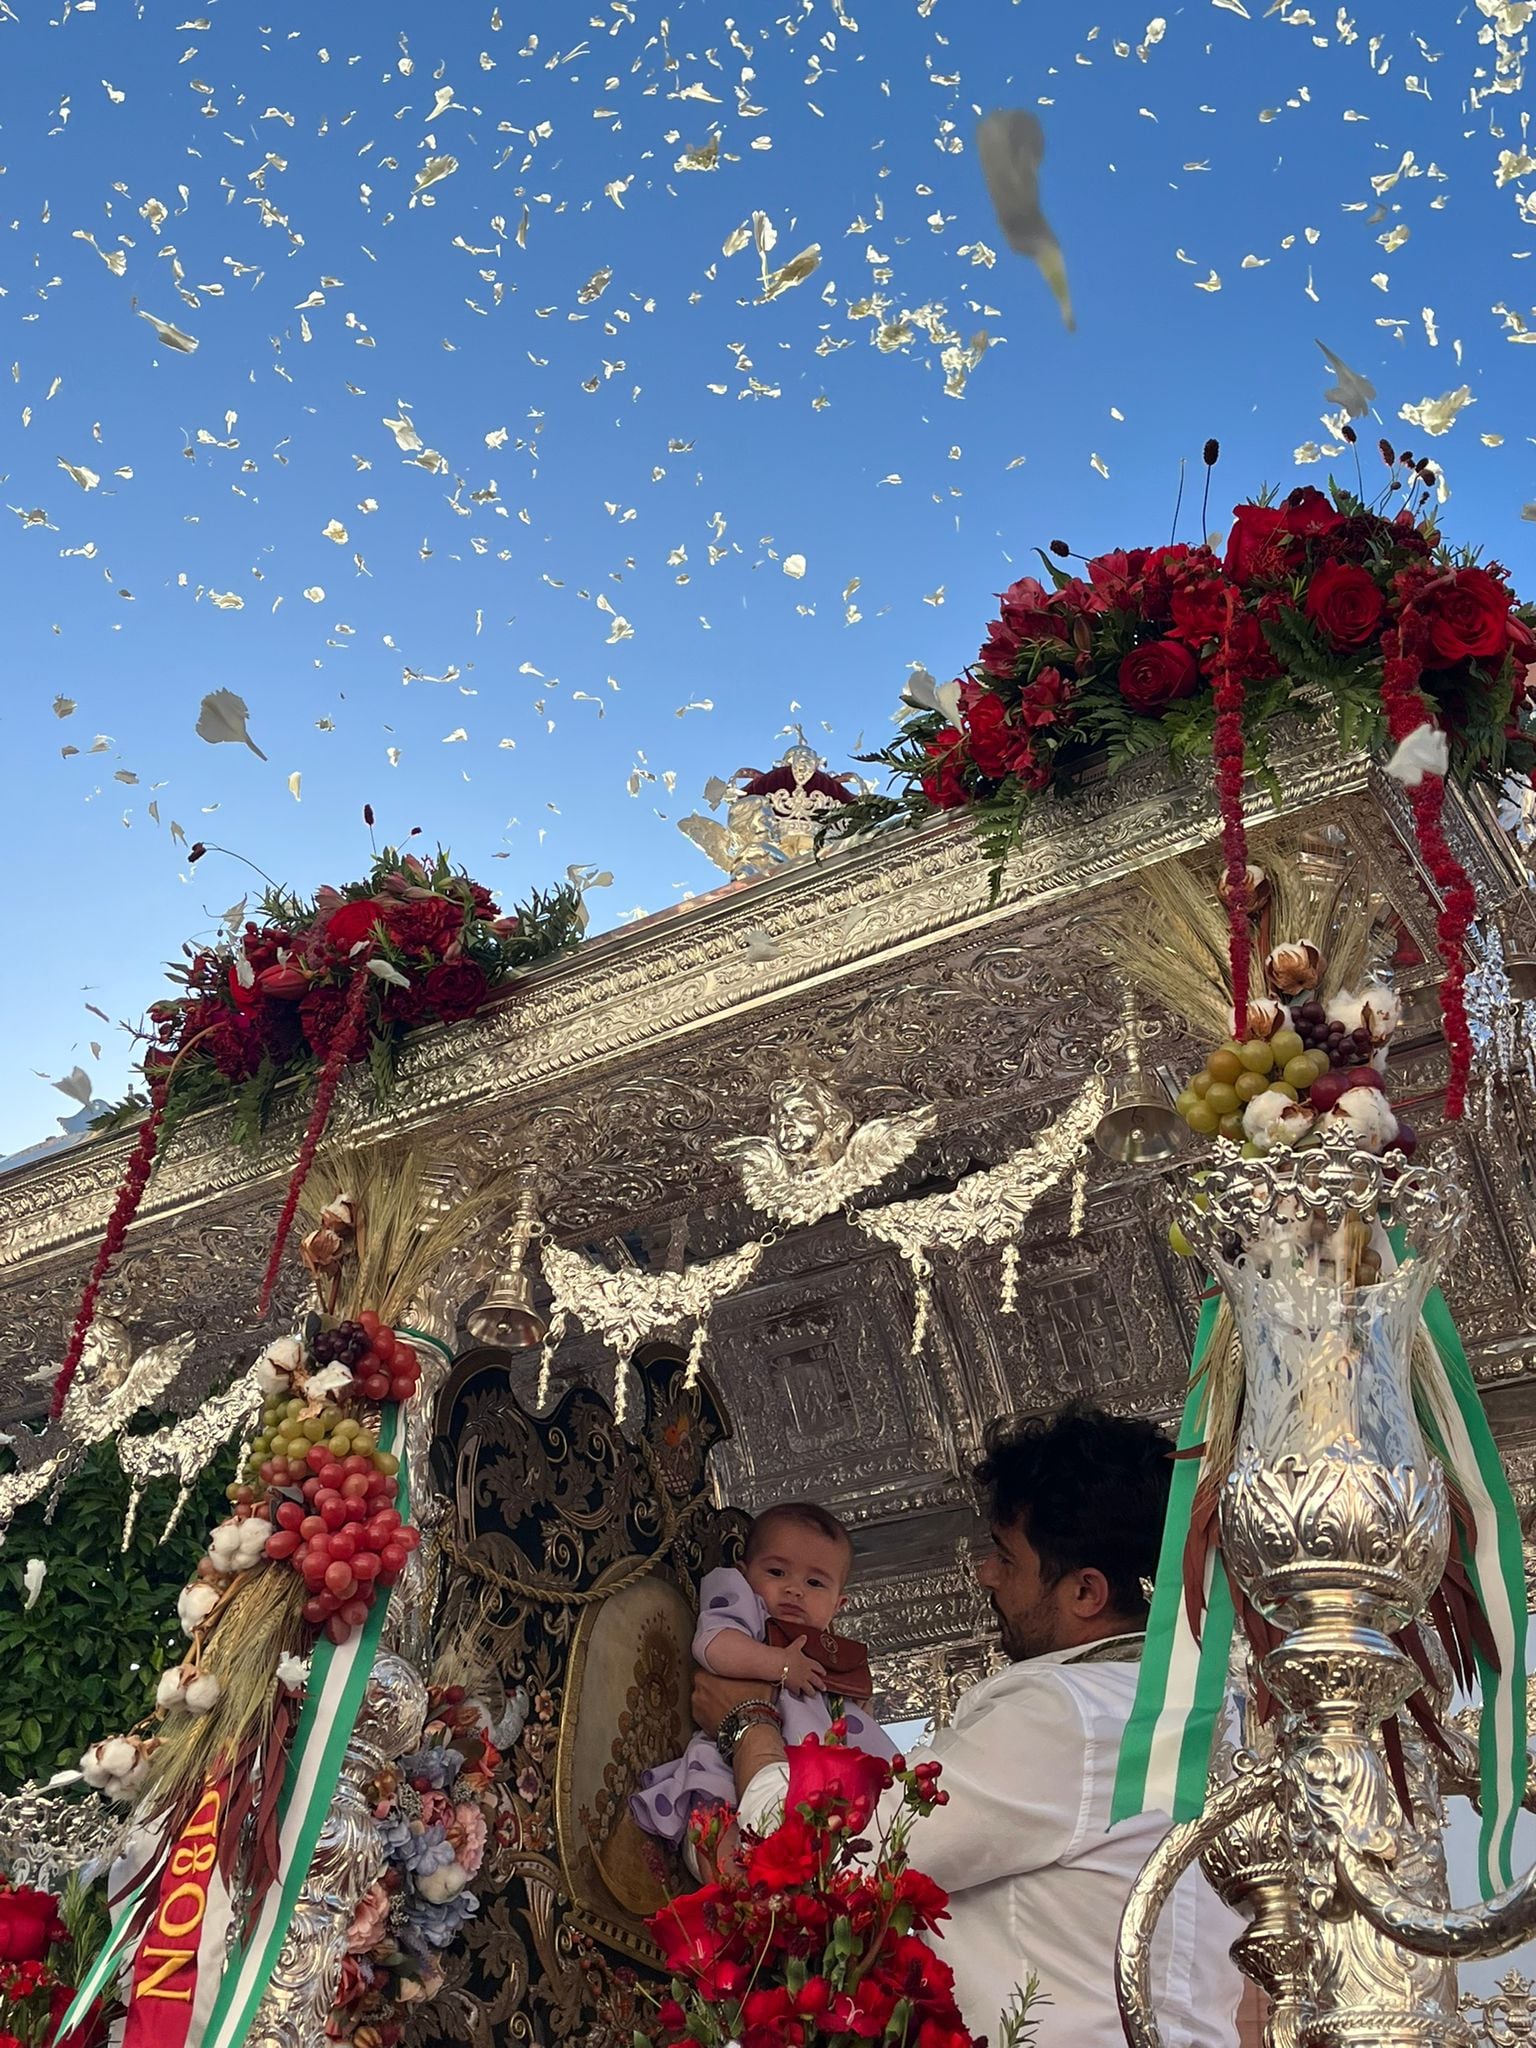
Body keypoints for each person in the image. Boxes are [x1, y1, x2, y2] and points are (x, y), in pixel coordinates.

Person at [691, 1403, 1244, 2048]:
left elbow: (824, 1853)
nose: (984, 1573)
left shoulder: (1071, 1714)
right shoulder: (1193, 1717)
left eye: (1005, 1560)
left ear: (1086, 1594)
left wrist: (748, 1720)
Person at [633, 1500, 894, 1859]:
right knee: (715, 1815)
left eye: (815, 1582)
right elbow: (714, 1644)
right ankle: (727, 1881)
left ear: (838, 1605)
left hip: (812, 1782)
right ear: (744, 1573)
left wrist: (856, 1712)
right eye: (776, 1572)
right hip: (730, 1759)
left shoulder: (830, 1655)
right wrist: (780, 1665)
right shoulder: (750, 1612)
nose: (794, 1589)